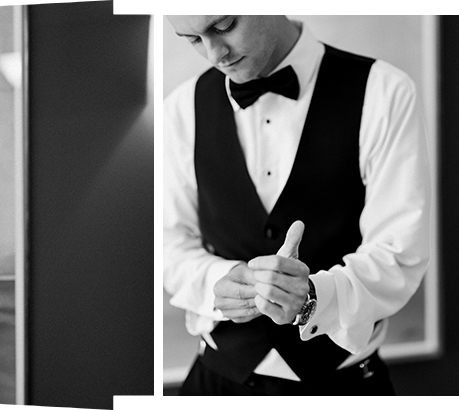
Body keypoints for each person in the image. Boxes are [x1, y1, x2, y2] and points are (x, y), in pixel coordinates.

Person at [163, 16, 429, 395]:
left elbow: (400, 252)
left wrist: (317, 297)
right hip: (213, 383)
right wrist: (216, 281)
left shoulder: (385, 91)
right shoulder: (180, 108)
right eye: (192, 39)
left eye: (224, 26)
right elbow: (169, 244)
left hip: (345, 387)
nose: (214, 54)